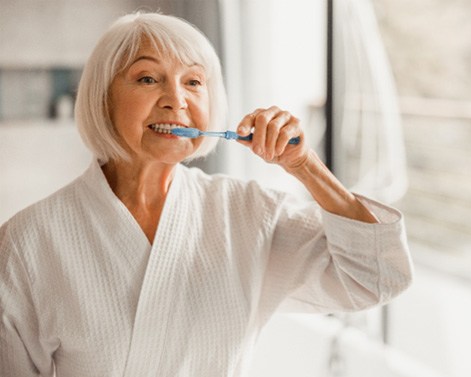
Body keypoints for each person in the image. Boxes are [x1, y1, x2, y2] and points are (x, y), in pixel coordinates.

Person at [0, 12, 413, 377]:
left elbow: (376, 278)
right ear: (102, 98)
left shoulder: (250, 213)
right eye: (148, 78)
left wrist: (305, 166)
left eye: (193, 82)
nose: (176, 100)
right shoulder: (28, 241)